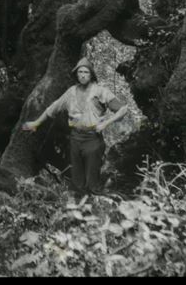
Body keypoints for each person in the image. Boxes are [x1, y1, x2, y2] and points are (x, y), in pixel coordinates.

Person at [21, 57, 127, 196]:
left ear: (91, 74)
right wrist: (36, 123)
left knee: (92, 182)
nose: (82, 75)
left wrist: (106, 123)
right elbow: (53, 108)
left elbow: (123, 109)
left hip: (93, 139)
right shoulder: (71, 92)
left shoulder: (101, 91)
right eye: (80, 72)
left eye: (86, 72)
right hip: (75, 139)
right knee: (76, 183)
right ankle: (77, 212)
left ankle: (96, 210)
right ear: (76, 74)